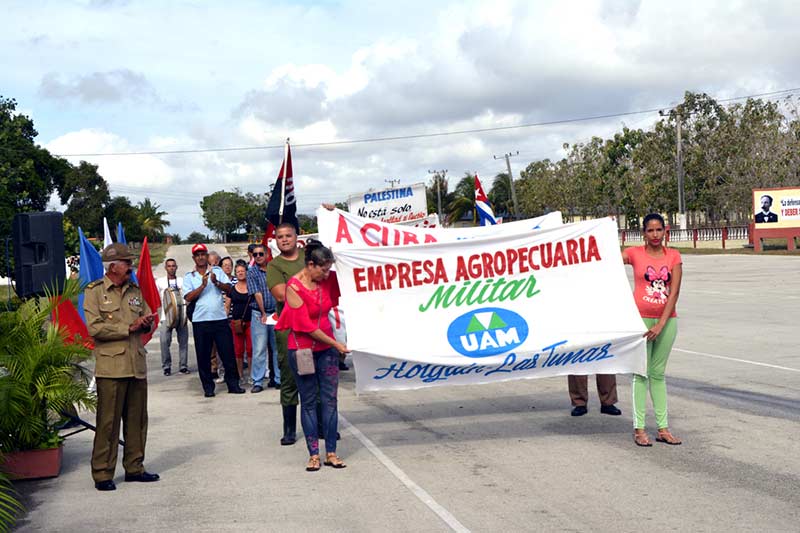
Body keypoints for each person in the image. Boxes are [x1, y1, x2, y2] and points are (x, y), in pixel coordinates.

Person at [84, 243, 159, 491]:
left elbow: (146, 316)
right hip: (111, 367)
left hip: (135, 364)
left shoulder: (134, 290)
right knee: (108, 423)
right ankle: (102, 473)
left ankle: (135, 467)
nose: (131, 267)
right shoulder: (95, 292)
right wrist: (128, 328)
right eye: (127, 263)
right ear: (113, 266)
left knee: (137, 421)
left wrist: (146, 323)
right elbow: (95, 328)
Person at [276, 239, 347, 471]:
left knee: (330, 400)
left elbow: (354, 277)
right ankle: (314, 454)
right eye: (323, 269)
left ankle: (332, 452)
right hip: (303, 350)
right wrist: (337, 344)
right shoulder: (294, 287)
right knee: (308, 402)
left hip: (326, 350)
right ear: (310, 265)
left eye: (329, 269)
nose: (327, 274)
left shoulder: (328, 280)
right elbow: (307, 327)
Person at [622, 213, 683, 447]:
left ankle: (663, 428)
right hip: (640, 322)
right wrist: (606, 230)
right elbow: (607, 258)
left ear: (665, 231)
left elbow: (674, 292)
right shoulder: (634, 253)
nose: (655, 235)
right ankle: (639, 429)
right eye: (650, 230)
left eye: (659, 230)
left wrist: (661, 323)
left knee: (657, 374)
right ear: (643, 233)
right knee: (640, 373)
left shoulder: (674, 256)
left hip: (666, 322)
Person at [183, 243, 245, 397]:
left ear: (207, 256)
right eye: (197, 255)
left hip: (219, 318)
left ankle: (233, 385)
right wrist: (202, 286)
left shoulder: (217, 271)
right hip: (200, 320)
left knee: (227, 353)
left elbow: (230, 289)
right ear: (194, 258)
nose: (201, 257)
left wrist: (216, 282)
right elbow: (187, 297)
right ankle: (208, 388)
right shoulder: (189, 276)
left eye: (203, 254)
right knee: (203, 356)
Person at [267, 223, 305, 445]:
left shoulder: (309, 257)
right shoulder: (275, 265)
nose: (284, 240)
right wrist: (309, 273)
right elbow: (282, 295)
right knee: (289, 379)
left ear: (296, 237)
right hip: (289, 330)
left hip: (314, 329)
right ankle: (289, 429)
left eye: (288, 235)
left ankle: (320, 425)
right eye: (279, 237)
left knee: (316, 379)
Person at [247, 244, 278, 393]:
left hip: (276, 313)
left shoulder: (274, 270)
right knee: (259, 348)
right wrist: (263, 312)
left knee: (277, 348)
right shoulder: (252, 272)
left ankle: (278, 379)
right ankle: (258, 381)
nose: (258, 257)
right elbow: (256, 293)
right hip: (259, 313)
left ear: (266, 254)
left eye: (260, 254)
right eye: (255, 255)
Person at [157, 258, 189, 376]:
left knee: (183, 342)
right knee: (164, 341)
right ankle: (166, 366)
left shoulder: (182, 281)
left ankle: (183, 366)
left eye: (173, 266)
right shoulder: (160, 282)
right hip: (166, 316)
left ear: (177, 267)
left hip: (182, 315)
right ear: (165, 268)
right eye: (169, 266)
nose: (171, 268)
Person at [226, 263, 253, 385]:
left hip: (251, 321)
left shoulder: (252, 287)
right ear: (235, 274)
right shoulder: (232, 289)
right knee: (238, 350)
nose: (241, 273)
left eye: (243, 271)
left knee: (251, 349)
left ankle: (252, 374)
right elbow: (227, 306)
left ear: (247, 272)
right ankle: (240, 375)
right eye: (238, 272)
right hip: (236, 323)